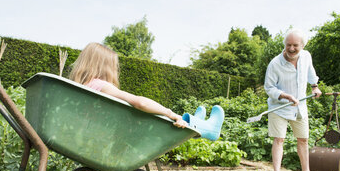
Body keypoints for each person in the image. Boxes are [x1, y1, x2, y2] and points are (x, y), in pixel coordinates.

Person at [69, 42, 224, 140]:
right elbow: (140, 102)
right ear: (107, 68)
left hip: (89, 137)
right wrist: (170, 113)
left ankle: (195, 123)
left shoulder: (81, 88)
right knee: (164, 120)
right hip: (113, 140)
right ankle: (207, 128)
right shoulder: (101, 86)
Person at [264, 29, 322, 171]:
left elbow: (311, 73)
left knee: (303, 139)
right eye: (288, 45)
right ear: (284, 45)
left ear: (302, 45)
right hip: (279, 107)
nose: (291, 49)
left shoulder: (306, 56)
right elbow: (269, 88)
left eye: (295, 45)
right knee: (279, 139)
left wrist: (314, 87)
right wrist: (285, 95)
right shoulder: (275, 63)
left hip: (300, 107)